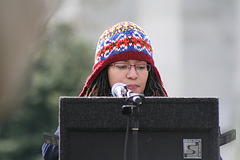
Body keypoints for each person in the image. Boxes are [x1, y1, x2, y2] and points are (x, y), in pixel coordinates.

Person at [42, 21, 167, 160]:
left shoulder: (167, 113)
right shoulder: (85, 111)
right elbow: (50, 152)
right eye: (122, 66)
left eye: (141, 67)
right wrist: (84, 114)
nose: (133, 74)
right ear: (103, 72)